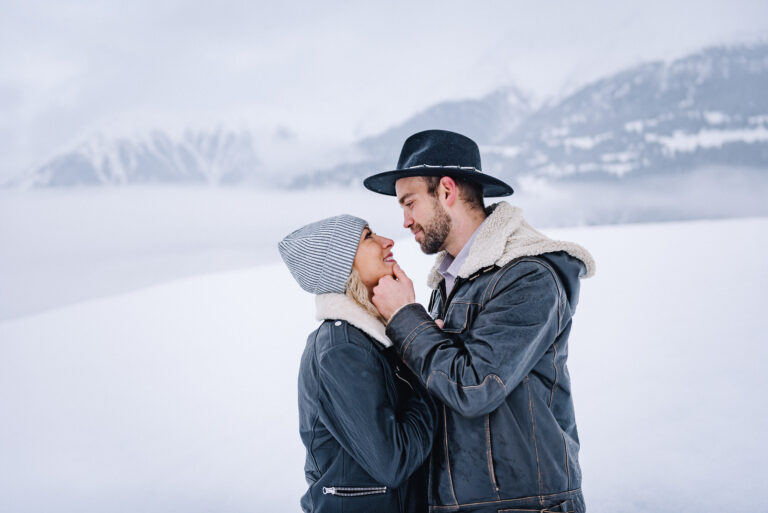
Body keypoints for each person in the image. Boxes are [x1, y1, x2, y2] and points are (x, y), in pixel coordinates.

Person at [363, 130, 596, 513]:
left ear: (447, 191)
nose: (404, 221)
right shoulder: (449, 284)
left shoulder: (529, 276)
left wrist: (405, 317)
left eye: (409, 203)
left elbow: (475, 387)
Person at [278, 214, 437, 513]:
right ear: (342, 266)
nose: (388, 241)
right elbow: (394, 462)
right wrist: (423, 363)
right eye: (368, 237)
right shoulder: (342, 351)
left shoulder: (370, 340)